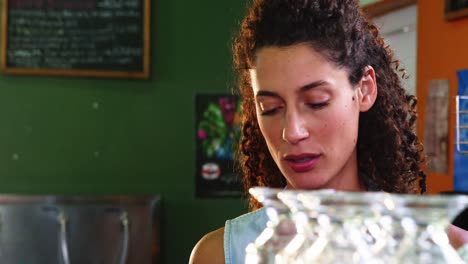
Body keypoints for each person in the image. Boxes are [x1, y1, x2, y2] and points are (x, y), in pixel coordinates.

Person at [190, 0, 468, 263]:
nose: (293, 131)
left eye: (316, 102)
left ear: (364, 89)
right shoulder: (223, 254)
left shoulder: (444, 251)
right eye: (270, 108)